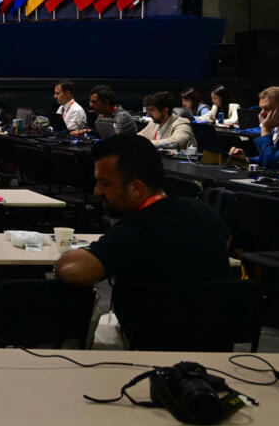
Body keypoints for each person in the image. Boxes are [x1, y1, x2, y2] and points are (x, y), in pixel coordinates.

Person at [55, 134, 230, 328]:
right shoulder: (208, 214)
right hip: (216, 345)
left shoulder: (136, 231)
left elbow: (72, 270)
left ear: (136, 188)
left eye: (105, 183)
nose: (97, 191)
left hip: (147, 345)